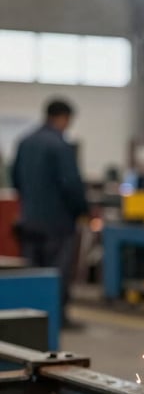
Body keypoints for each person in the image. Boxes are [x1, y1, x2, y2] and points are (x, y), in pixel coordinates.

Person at [11, 98, 89, 329]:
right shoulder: (60, 145)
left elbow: (16, 179)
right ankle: (57, 318)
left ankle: (31, 319)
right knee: (57, 273)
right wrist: (81, 210)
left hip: (29, 221)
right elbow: (71, 184)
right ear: (64, 118)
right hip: (58, 224)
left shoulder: (24, 142)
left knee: (32, 273)